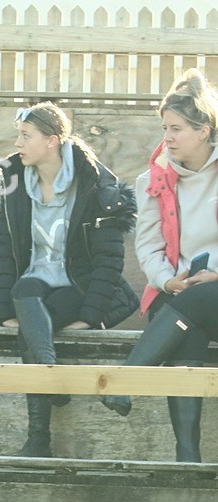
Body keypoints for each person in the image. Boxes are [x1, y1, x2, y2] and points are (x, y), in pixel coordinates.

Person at [0, 102, 139, 457]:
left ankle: (38, 439)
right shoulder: (15, 181)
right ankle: (51, 375)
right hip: (34, 284)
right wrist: (2, 310)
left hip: (78, 285)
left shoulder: (95, 185)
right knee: (24, 289)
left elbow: (107, 260)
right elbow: (2, 246)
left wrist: (90, 315)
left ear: (53, 140)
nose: (18, 143)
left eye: (26, 136)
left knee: (32, 333)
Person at [101, 69, 218, 463]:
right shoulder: (152, 181)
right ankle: (187, 456)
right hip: (179, 300)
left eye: (177, 128)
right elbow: (148, 248)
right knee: (189, 322)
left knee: (200, 300)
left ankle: (125, 380)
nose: (166, 137)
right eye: (164, 127)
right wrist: (169, 282)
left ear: (204, 131)